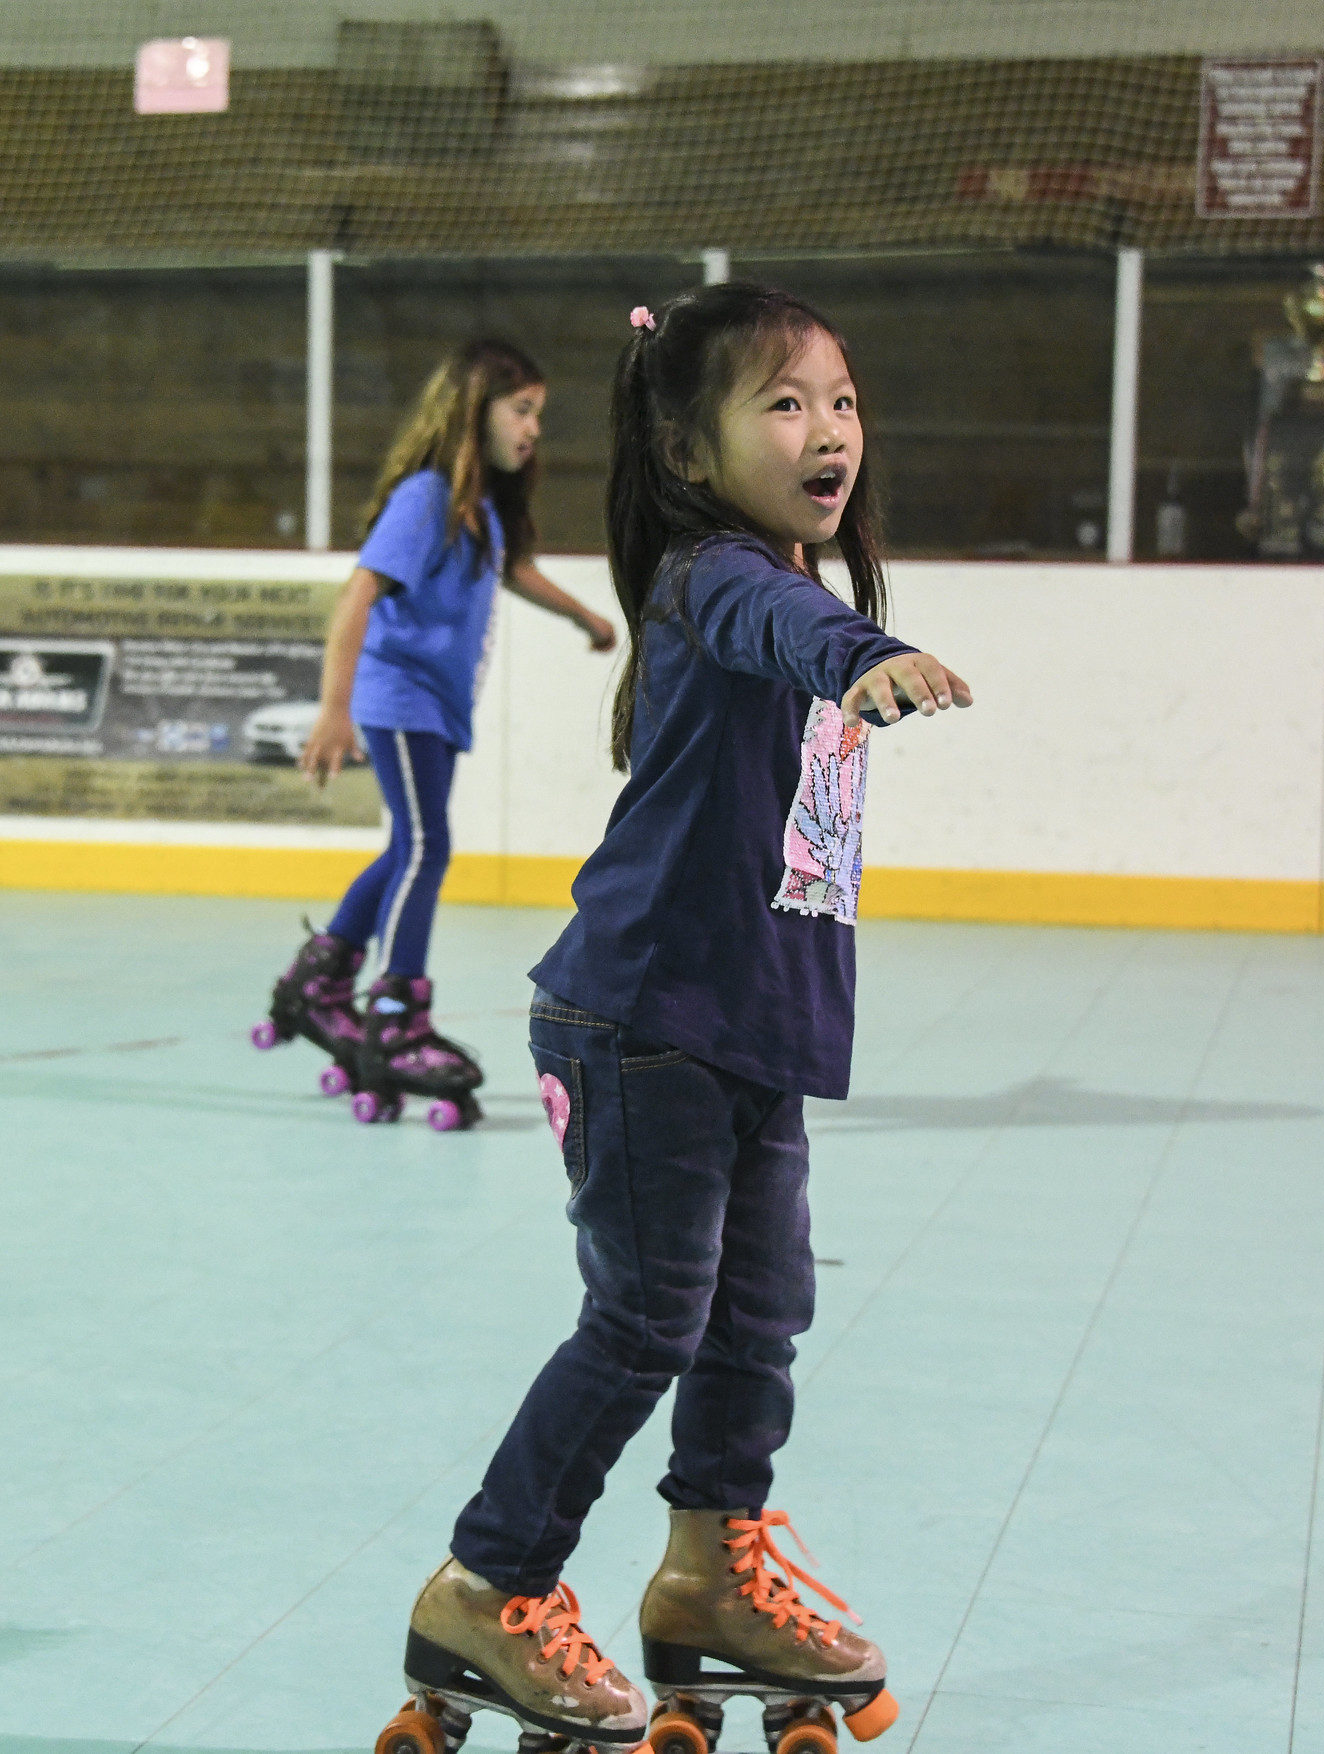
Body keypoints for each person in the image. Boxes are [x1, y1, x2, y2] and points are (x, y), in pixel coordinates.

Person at [376, 286, 972, 1754]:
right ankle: (488, 1577)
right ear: (694, 453)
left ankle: (714, 1566)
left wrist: (848, 639)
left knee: (760, 1315)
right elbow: (779, 626)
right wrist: (853, 657)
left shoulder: (796, 581)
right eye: (783, 403)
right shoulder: (723, 580)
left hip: (747, 1021)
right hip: (642, 1017)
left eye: (839, 400)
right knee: (647, 1315)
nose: (827, 428)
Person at [252, 339, 616, 1130]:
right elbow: (358, 596)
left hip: (435, 709)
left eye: (538, 415)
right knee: (427, 846)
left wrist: (583, 615)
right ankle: (397, 1013)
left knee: (406, 848)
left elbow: (511, 569)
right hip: (400, 697)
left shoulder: (474, 506)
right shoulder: (422, 497)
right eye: (521, 410)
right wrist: (334, 710)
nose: (532, 429)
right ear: (472, 409)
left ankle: (319, 981)